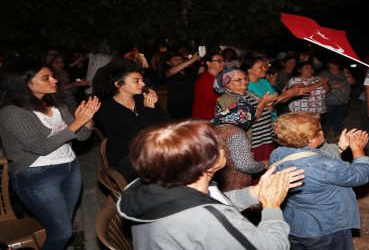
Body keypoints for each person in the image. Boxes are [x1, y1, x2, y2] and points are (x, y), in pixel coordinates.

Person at [117, 120, 305, 249]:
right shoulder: (206, 219)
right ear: (208, 163)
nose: (223, 146)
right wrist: (272, 206)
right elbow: (271, 247)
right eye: (218, 144)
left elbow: (214, 200)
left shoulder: (151, 184)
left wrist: (255, 192)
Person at [0, 60, 100, 250]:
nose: (54, 80)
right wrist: (77, 123)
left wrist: (87, 121)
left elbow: (82, 137)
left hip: (70, 169)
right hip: (37, 176)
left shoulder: (56, 105)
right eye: (46, 78)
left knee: (62, 225)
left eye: (52, 76)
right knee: (63, 232)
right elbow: (41, 147)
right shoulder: (11, 113)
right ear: (24, 83)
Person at [269, 112, 369, 249]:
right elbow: (361, 175)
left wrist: (340, 147)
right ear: (311, 139)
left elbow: (313, 158)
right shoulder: (324, 166)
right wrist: (358, 150)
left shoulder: (277, 154)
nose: (322, 131)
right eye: (319, 130)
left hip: (294, 224)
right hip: (325, 228)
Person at [94, 65, 167, 180]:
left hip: (151, 149)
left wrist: (156, 105)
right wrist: (148, 109)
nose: (143, 84)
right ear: (118, 84)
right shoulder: (105, 107)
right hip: (126, 157)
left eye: (142, 80)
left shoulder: (141, 99)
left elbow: (165, 124)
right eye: (136, 81)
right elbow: (130, 132)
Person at [211, 101, 267, 191]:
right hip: (234, 186)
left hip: (218, 183)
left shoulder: (213, 128)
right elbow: (245, 165)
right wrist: (263, 165)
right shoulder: (235, 133)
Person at [192, 53, 226, 120]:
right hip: (205, 116)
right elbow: (211, 99)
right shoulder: (205, 78)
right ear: (208, 63)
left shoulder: (218, 77)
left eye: (223, 61)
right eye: (219, 61)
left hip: (212, 115)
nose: (223, 63)